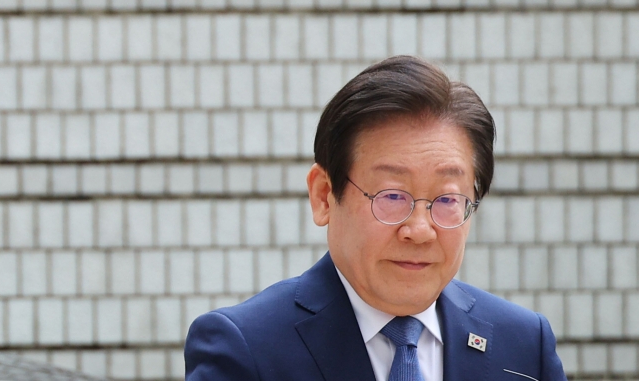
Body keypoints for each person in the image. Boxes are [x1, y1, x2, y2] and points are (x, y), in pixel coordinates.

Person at [184, 55, 567, 381]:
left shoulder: (523, 345)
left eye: (448, 199)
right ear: (324, 196)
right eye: (392, 196)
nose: (420, 230)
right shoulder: (246, 348)